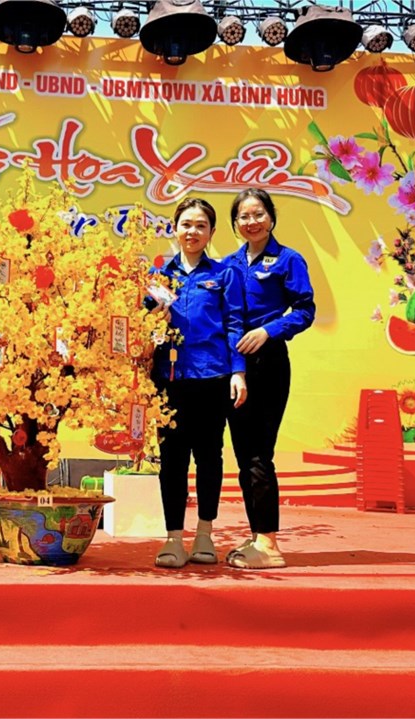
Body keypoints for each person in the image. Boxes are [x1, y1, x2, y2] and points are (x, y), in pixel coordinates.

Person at [150, 198, 247, 569]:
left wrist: (238, 371)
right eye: (186, 224)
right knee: (172, 460)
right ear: (175, 228)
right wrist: (152, 318)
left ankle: (205, 533)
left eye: (200, 225)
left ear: (212, 232)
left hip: (212, 377)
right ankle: (173, 538)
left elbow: (234, 324)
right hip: (169, 379)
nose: (192, 231)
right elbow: (141, 323)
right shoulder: (159, 276)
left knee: (209, 456)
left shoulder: (224, 274)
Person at [223, 188, 316, 569]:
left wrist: (269, 330)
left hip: (270, 363)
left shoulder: (289, 259)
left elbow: (305, 310)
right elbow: (224, 317)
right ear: (235, 224)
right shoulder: (229, 264)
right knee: (244, 456)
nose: (252, 222)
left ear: (271, 218)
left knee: (259, 454)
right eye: (244, 216)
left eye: (258, 214)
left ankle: (270, 546)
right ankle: (258, 536)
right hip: (235, 369)